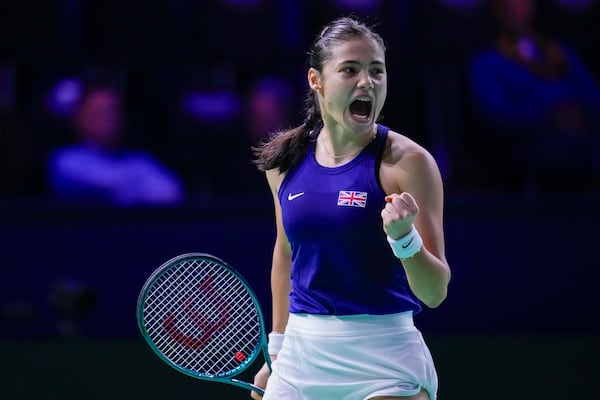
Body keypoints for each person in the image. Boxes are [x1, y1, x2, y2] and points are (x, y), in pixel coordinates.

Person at [251, 16, 451, 400]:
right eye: (350, 69)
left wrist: (404, 239)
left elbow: (435, 292)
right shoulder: (285, 163)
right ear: (316, 80)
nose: (367, 82)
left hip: (385, 358)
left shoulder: (409, 163)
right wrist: (276, 351)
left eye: (377, 71)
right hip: (301, 357)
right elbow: (286, 252)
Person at [468, 0, 600, 192]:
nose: (515, 8)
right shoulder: (487, 61)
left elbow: (593, 97)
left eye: (522, 2)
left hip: (585, 134)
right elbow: (496, 113)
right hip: (531, 146)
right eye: (507, 4)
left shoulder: (560, 53)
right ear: (495, 9)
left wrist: (578, 111)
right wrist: (550, 115)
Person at [47, 83, 185, 206]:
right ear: (80, 117)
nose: (107, 120)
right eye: (98, 113)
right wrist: (136, 187)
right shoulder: (66, 160)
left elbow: (171, 192)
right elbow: (100, 185)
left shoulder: (139, 161)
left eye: (112, 112)